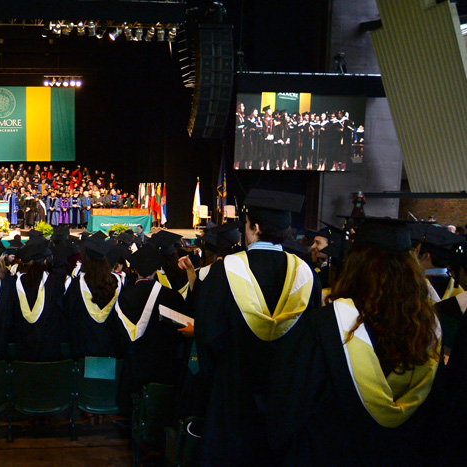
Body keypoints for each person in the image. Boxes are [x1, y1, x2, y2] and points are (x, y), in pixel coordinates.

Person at [269, 218, 456, 464]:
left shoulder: (326, 325)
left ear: (356, 264)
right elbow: (438, 417)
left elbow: (290, 410)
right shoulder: (427, 330)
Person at [193, 189, 321, 465]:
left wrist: (220, 377)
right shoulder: (306, 274)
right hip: (286, 395)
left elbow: (207, 335)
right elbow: (312, 340)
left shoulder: (225, 270)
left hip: (233, 391)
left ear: (256, 227)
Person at [115, 243, 190, 412]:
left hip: (133, 369)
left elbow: (119, 336)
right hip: (163, 369)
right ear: (156, 270)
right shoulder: (171, 297)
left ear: (134, 270)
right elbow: (179, 333)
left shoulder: (124, 297)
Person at [65, 236, 125, 358]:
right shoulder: (117, 282)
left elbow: (70, 314)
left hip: (83, 347)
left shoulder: (77, 284)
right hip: (111, 346)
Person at [11, 238, 68, 362]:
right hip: (49, 346)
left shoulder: (17, 282)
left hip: (23, 346)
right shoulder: (56, 281)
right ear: (45, 260)